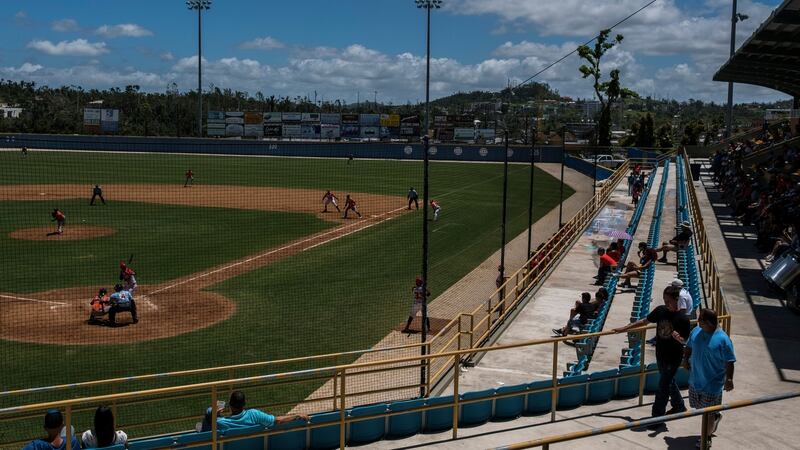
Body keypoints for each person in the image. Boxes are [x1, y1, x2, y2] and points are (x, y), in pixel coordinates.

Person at [613, 286, 691, 429]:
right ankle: (679, 405)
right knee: (668, 382)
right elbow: (644, 321)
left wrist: (679, 338)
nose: (666, 303)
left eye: (669, 301)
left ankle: (657, 419)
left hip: (673, 357)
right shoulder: (660, 311)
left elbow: (686, 341)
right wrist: (624, 328)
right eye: (664, 300)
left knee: (662, 387)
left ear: (676, 299)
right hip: (660, 354)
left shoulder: (683, 319)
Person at [683, 309, 736, 448]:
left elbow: (729, 361)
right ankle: (716, 416)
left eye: (700, 319)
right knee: (696, 406)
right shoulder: (696, 331)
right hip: (695, 379)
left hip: (713, 383)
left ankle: (705, 439)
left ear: (708, 323)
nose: (698, 321)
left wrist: (729, 379)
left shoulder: (723, 339)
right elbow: (689, 346)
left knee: (706, 414)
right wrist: (685, 359)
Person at [205, 390, 309, 432]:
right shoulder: (254, 414)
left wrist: (213, 412)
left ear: (230, 406)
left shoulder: (221, 422)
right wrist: (297, 415)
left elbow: (207, 420)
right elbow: (277, 421)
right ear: (244, 404)